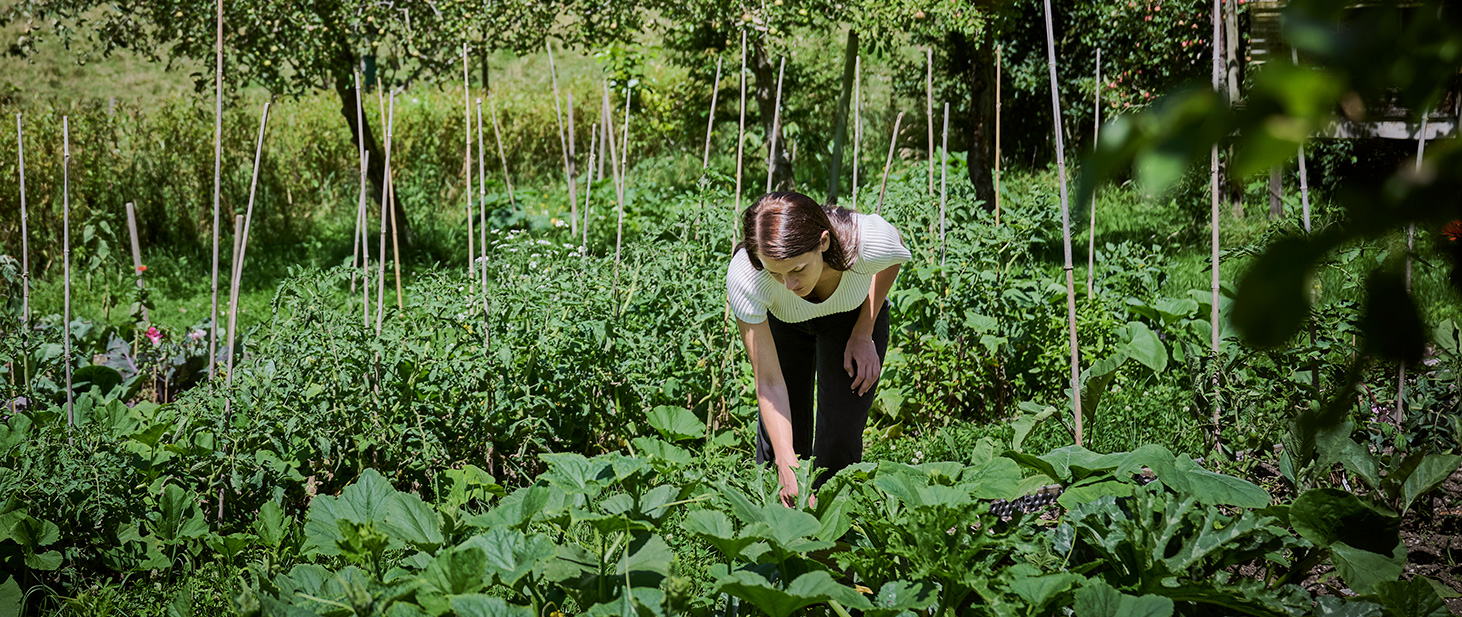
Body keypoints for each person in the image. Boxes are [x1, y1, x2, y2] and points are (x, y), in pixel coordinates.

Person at [727, 191, 911, 507]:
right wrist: (787, 466)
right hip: (784, 323)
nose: (789, 285)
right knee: (784, 448)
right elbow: (769, 383)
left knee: (841, 434)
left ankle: (835, 525)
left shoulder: (866, 241)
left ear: (823, 242)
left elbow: (894, 254)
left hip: (851, 318)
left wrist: (863, 333)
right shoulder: (748, 275)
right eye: (775, 273)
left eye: (798, 269)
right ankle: (782, 532)